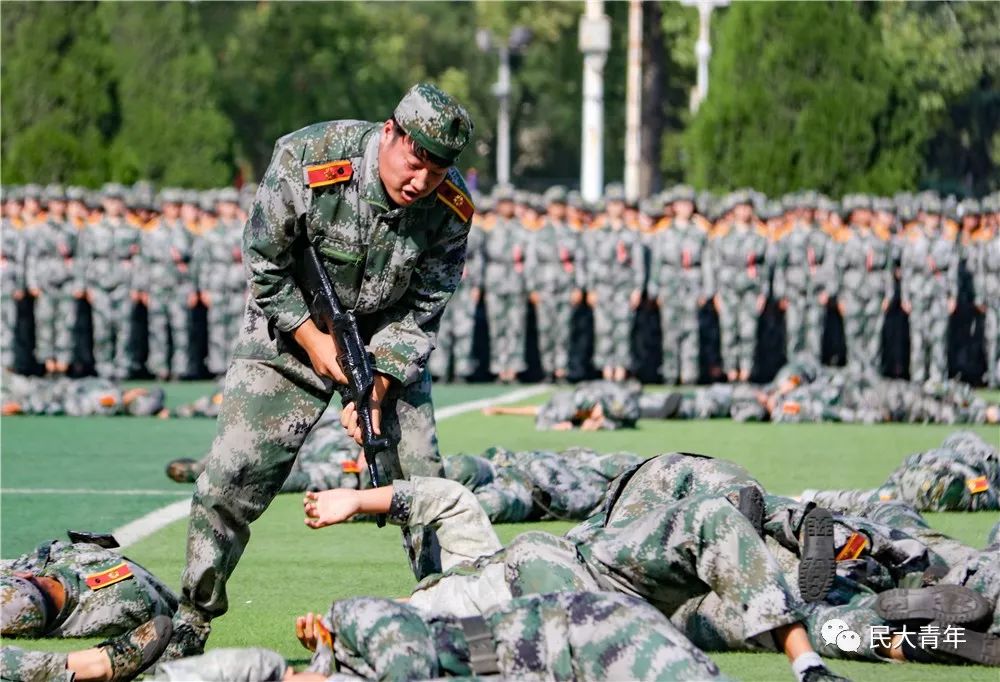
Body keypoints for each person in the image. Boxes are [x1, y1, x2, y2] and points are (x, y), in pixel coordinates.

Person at [163, 82, 475, 659]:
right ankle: (191, 618)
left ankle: (450, 613)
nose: (421, 182)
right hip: (289, 328)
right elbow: (264, 260)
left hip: (382, 343)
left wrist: (375, 389)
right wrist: (312, 338)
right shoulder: (309, 160)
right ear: (391, 132)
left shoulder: (451, 211)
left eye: (437, 172)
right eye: (415, 163)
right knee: (232, 475)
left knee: (421, 477)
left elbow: (424, 309)